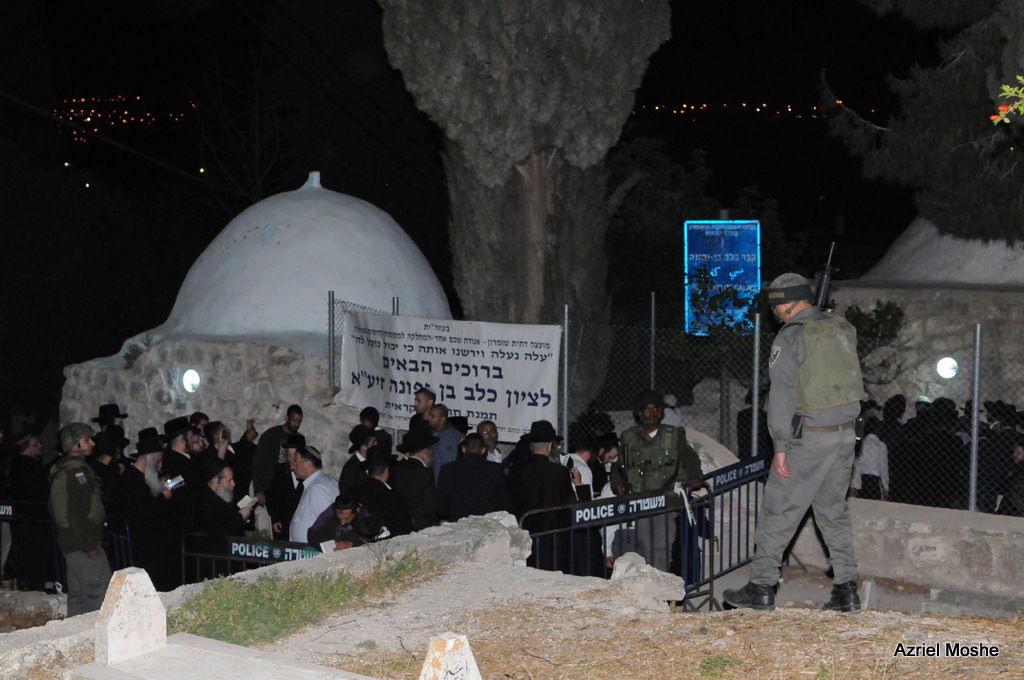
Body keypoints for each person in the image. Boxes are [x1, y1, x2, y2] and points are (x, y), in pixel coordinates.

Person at [724, 273, 864, 613]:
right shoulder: (841, 327)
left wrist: (780, 447)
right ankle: (846, 590)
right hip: (845, 436)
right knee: (833, 514)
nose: (775, 312)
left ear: (785, 302)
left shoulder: (791, 336)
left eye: (775, 305)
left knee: (778, 512)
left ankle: (760, 587)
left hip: (808, 439)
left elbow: (782, 395)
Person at [617, 389, 703, 572]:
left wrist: (695, 476)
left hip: (667, 501)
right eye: (647, 410)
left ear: (661, 412)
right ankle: (652, 587)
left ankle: (661, 590)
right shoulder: (628, 438)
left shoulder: (674, 435)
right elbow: (620, 467)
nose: (652, 413)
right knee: (645, 546)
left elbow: (690, 458)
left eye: (655, 409)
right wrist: (618, 484)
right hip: (641, 501)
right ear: (639, 413)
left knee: (662, 547)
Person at [49, 423, 112, 616]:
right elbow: (74, 513)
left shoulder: (68, 469)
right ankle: (105, 640)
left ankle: (78, 637)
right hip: (83, 545)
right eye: (87, 440)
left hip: (73, 544)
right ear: (75, 445)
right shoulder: (74, 472)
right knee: (100, 596)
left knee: (78, 596)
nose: (92, 443)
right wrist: (89, 543)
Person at [108, 428, 174, 590]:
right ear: (149, 460)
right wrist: (163, 497)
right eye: (157, 462)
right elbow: (143, 512)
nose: (160, 466)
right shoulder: (132, 481)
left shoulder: (139, 479)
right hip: (142, 548)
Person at [506, 420, 577, 571]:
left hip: (525, 534)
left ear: (531, 446)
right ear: (550, 445)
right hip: (554, 536)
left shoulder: (516, 472)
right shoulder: (560, 472)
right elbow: (570, 505)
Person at [252, 405, 303, 539]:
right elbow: (258, 464)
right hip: (269, 486)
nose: (296, 424)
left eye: (299, 421)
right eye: (294, 420)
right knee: (267, 528)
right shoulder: (271, 435)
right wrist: (259, 490)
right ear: (287, 418)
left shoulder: (298, 438)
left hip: (288, 489)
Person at [436, 432, 509, 522]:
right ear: (483, 450)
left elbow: (441, 507)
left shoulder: (448, 469)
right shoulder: (496, 470)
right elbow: (503, 503)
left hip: (457, 524)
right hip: (486, 525)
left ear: (463, 449)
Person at [354, 445, 411, 538]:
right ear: (387, 470)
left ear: (368, 471)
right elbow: (404, 529)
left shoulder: (356, 491)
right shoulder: (392, 496)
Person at [389, 429, 439, 531]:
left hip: (399, 524)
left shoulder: (396, 468)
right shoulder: (424, 473)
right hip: (423, 525)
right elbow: (430, 505)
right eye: (430, 449)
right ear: (425, 452)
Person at [288, 446, 337, 543]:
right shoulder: (314, 483)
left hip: (314, 552)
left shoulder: (318, 488)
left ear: (308, 464)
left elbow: (330, 525)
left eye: (295, 462)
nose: (292, 467)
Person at [427, 404, 462, 482]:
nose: (429, 418)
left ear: (442, 419)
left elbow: (447, 465)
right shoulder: (434, 433)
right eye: (429, 415)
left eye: (433, 416)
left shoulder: (448, 438)